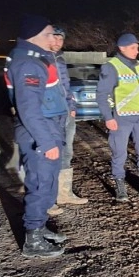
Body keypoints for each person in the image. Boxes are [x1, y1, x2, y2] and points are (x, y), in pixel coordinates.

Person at [6, 14, 68, 258]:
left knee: (48, 182)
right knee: (41, 184)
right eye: (51, 33)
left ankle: (40, 228)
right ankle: (33, 239)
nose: (55, 38)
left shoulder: (35, 58)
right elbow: (29, 109)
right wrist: (46, 141)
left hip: (48, 126)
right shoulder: (29, 64)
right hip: (40, 130)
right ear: (36, 36)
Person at [96, 33, 139, 202]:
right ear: (122, 48)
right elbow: (101, 94)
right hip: (121, 117)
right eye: (133, 48)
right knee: (119, 152)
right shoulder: (111, 66)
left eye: (137, 47)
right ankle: (120, 186)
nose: (137, 51)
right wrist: (108, 117)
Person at [50, 27, 88, 205]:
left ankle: (64, 194)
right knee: (49, 153)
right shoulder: (41, 59)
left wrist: (72, 106)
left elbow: (66, 86)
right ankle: (48, 197)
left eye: (61, 39)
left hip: (67, 113)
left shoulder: (60, 59)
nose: (58, 42)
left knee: (67, 152)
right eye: (55, 38)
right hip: (51, 115)